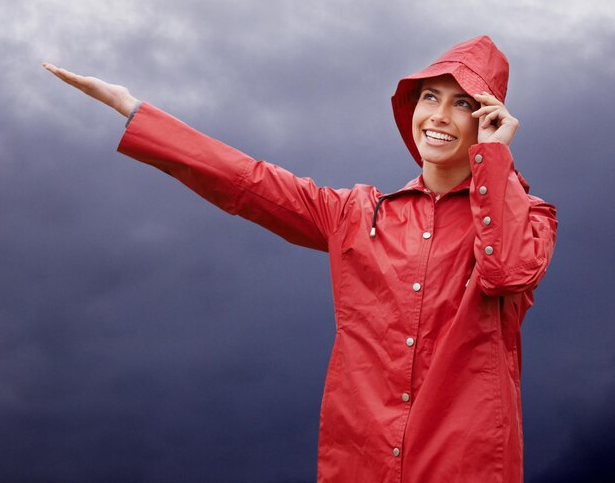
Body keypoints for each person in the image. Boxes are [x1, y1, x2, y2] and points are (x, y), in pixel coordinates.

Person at [43, 35, 557, 483]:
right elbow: (249, 181)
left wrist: (494, 160)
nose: (440, 116)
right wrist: (136, 111)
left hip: (464, 463)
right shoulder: (356, 214)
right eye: (429, 97)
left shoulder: (529, 217)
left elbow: (506, 271)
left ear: (488, 118)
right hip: (361, 458)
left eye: (464, 103)